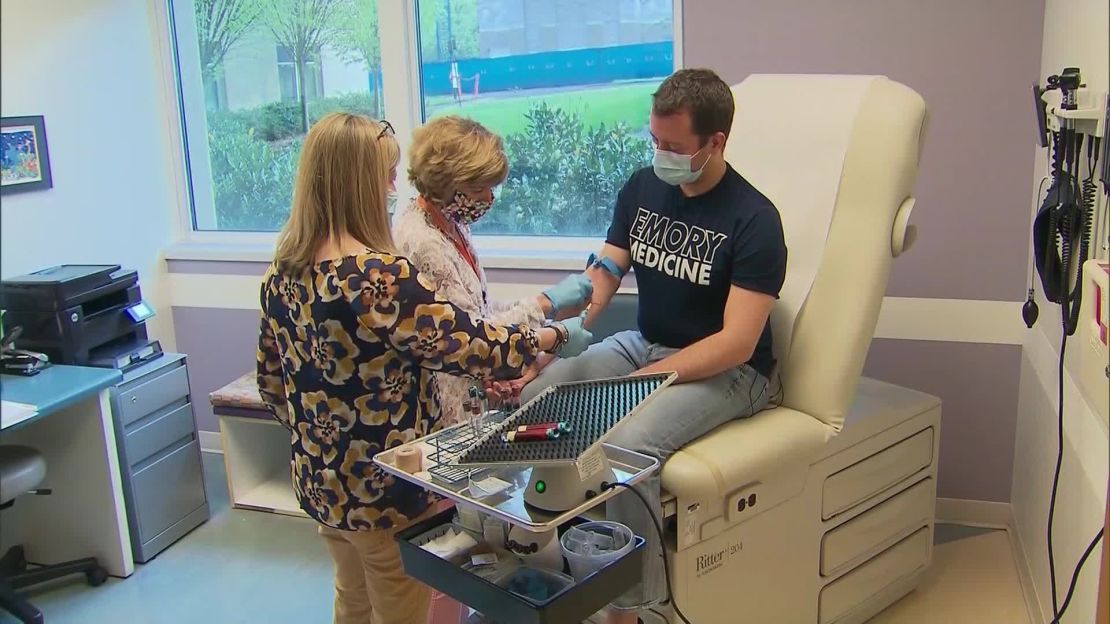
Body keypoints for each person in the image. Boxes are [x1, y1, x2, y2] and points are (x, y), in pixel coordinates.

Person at [255, 113, 592, 624]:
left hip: (323, 485)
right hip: (388, 494)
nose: (394, 184)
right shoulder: (378, 277)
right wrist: (555, 332)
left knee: (352, 603)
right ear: (356, 181)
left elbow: (273, 383)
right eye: (385, 174)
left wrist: (326, 444)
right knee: (402, 610)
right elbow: (477, 346)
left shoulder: (282, 271)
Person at [519, 68, 788, 623]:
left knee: (626, 446)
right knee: (542, 396)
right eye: (655, 141)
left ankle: (637, 607)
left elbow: (738, 343)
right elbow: (606, 272)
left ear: (716, 142)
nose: (661, 154)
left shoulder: (755, 221)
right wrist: (563, 340)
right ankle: (571, 552)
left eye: (674, 146)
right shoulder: (643, 188)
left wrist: (647, 383)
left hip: (734, 372)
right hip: (646, 343)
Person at [393, 115, 593, 425]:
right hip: (447, 404)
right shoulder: (422, 243)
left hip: (472, 386)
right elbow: (469, 335)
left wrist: (541, 307)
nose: (489, 198)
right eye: (479, 188)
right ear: (446, 183)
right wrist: (544, 306)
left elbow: (478, 312)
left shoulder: (451, 224)